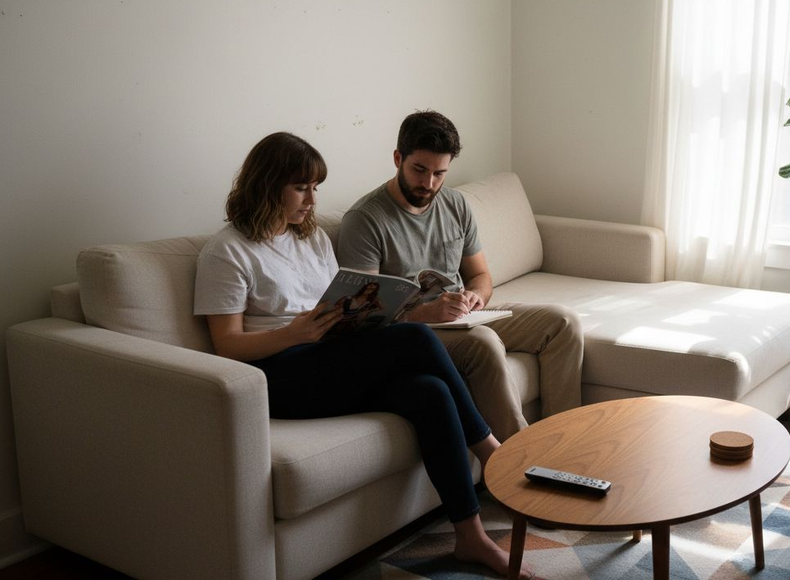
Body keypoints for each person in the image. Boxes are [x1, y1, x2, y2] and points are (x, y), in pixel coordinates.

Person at [193, 132, 534, 579]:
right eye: (301, 187)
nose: (312, 200)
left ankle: (470, 537)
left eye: (316, 187)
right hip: (277, 375)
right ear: (266, 184)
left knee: (429, 392)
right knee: (417, 339)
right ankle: (492, 451)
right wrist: (292, 333)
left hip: (326, 358)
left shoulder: (309, 238)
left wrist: (362, 315)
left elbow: (340, 299)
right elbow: (227, 345)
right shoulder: (228, 251)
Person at [337, 110, 583, 440]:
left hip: (463, 316)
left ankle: (564, 443)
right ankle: (519, 459)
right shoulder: (365, 219)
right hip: (414, 332)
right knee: (483, 343)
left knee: (562, 322)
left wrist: (475, 296)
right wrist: (423, 312)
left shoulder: (455, 205)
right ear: (398, 158)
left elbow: (480, 274)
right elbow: (364, 314)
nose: (428, 184)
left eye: (439, 173)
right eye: (419, 170)